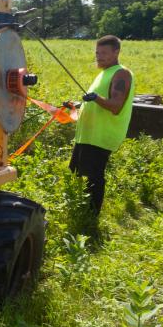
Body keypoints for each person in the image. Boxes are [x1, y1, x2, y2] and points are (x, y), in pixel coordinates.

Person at [67, 35, 133, 218]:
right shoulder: (103, 73)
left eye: (104, 53)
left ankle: (91, 218)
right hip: (87, 135)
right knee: (75, 173)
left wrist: (95, 97)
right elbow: (96, 104)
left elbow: (115, 106)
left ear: (116, 52)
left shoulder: (121, 74)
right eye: (97, 52)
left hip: (101, 136)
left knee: (92, 178)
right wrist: (75, 106)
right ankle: (78, 212)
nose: (99, 56)